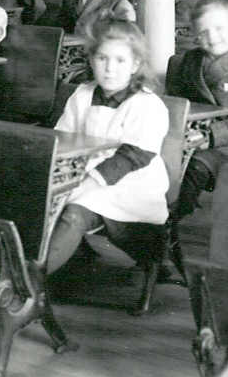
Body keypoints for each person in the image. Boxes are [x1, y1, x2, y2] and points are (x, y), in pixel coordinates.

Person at [42, 20, 171, 278]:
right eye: (102, 58)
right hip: (83, 175)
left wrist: (85, 185)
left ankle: (32, 280)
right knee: (42, 200)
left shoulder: (147, 104)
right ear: (91, 60)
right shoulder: (82, 95)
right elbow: (64, 138)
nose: (110, 69)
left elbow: (134, 156)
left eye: (120, 61)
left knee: (74, 212)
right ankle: (27, 260)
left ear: (135, 65)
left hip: (130, 185)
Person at [165, 0, 228, 224]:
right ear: (195, 34)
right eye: (203, 32)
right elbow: (174, 105)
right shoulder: (187, 61)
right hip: (188, 136)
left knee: (191, 168)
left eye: (219, 28)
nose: (212, 37)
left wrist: (209, 136)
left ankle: (172, 224)